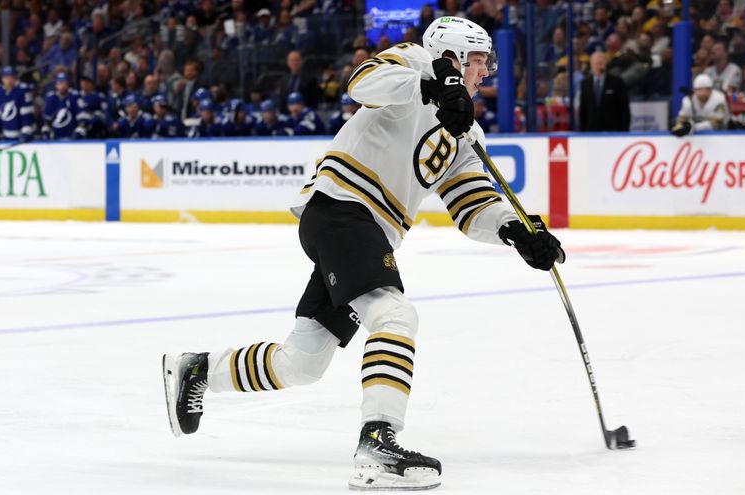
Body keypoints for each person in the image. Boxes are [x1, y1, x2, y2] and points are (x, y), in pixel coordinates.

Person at [162, 16, 564, 491]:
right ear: (454, 55)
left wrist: (517, 232)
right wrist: (437, 84)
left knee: (302, 362)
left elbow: (472, 206)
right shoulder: (415, 61)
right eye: (478, 61)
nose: (484, 72)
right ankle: (378, 440)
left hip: (364, 232)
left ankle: (199, 369)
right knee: (395, 316)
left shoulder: (465, 131)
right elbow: (362, 84)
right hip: (341, 210)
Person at [579, 51, 630, 131]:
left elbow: (624, 109)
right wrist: (582, 131)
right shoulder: (585, 83)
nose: (599, 66)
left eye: (601, 63)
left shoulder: (617, 82)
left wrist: (624, 131)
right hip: (591, 130)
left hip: (613, 129)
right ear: (591, 64)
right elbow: (583, 109)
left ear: (606, 64)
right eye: (596, 63)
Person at [0, 66, 35, 142]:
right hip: (5, 134)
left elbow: (27, 116)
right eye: (6, 77)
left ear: (15, 78)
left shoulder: (23, 90)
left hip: (21, 133)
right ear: (2, 79)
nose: (9, 80)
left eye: (11, 77)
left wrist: (26, 131)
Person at [42, 73, 83, 139]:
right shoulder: (51, 98)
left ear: (68, 84)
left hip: (72, 136)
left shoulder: (75, 96)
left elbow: (82, 117)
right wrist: (46, 131)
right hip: (55, 137)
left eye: (64, 83)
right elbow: (47, 119)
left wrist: (79, 130)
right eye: (60, 83)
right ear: (56, 85)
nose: (62, 86)